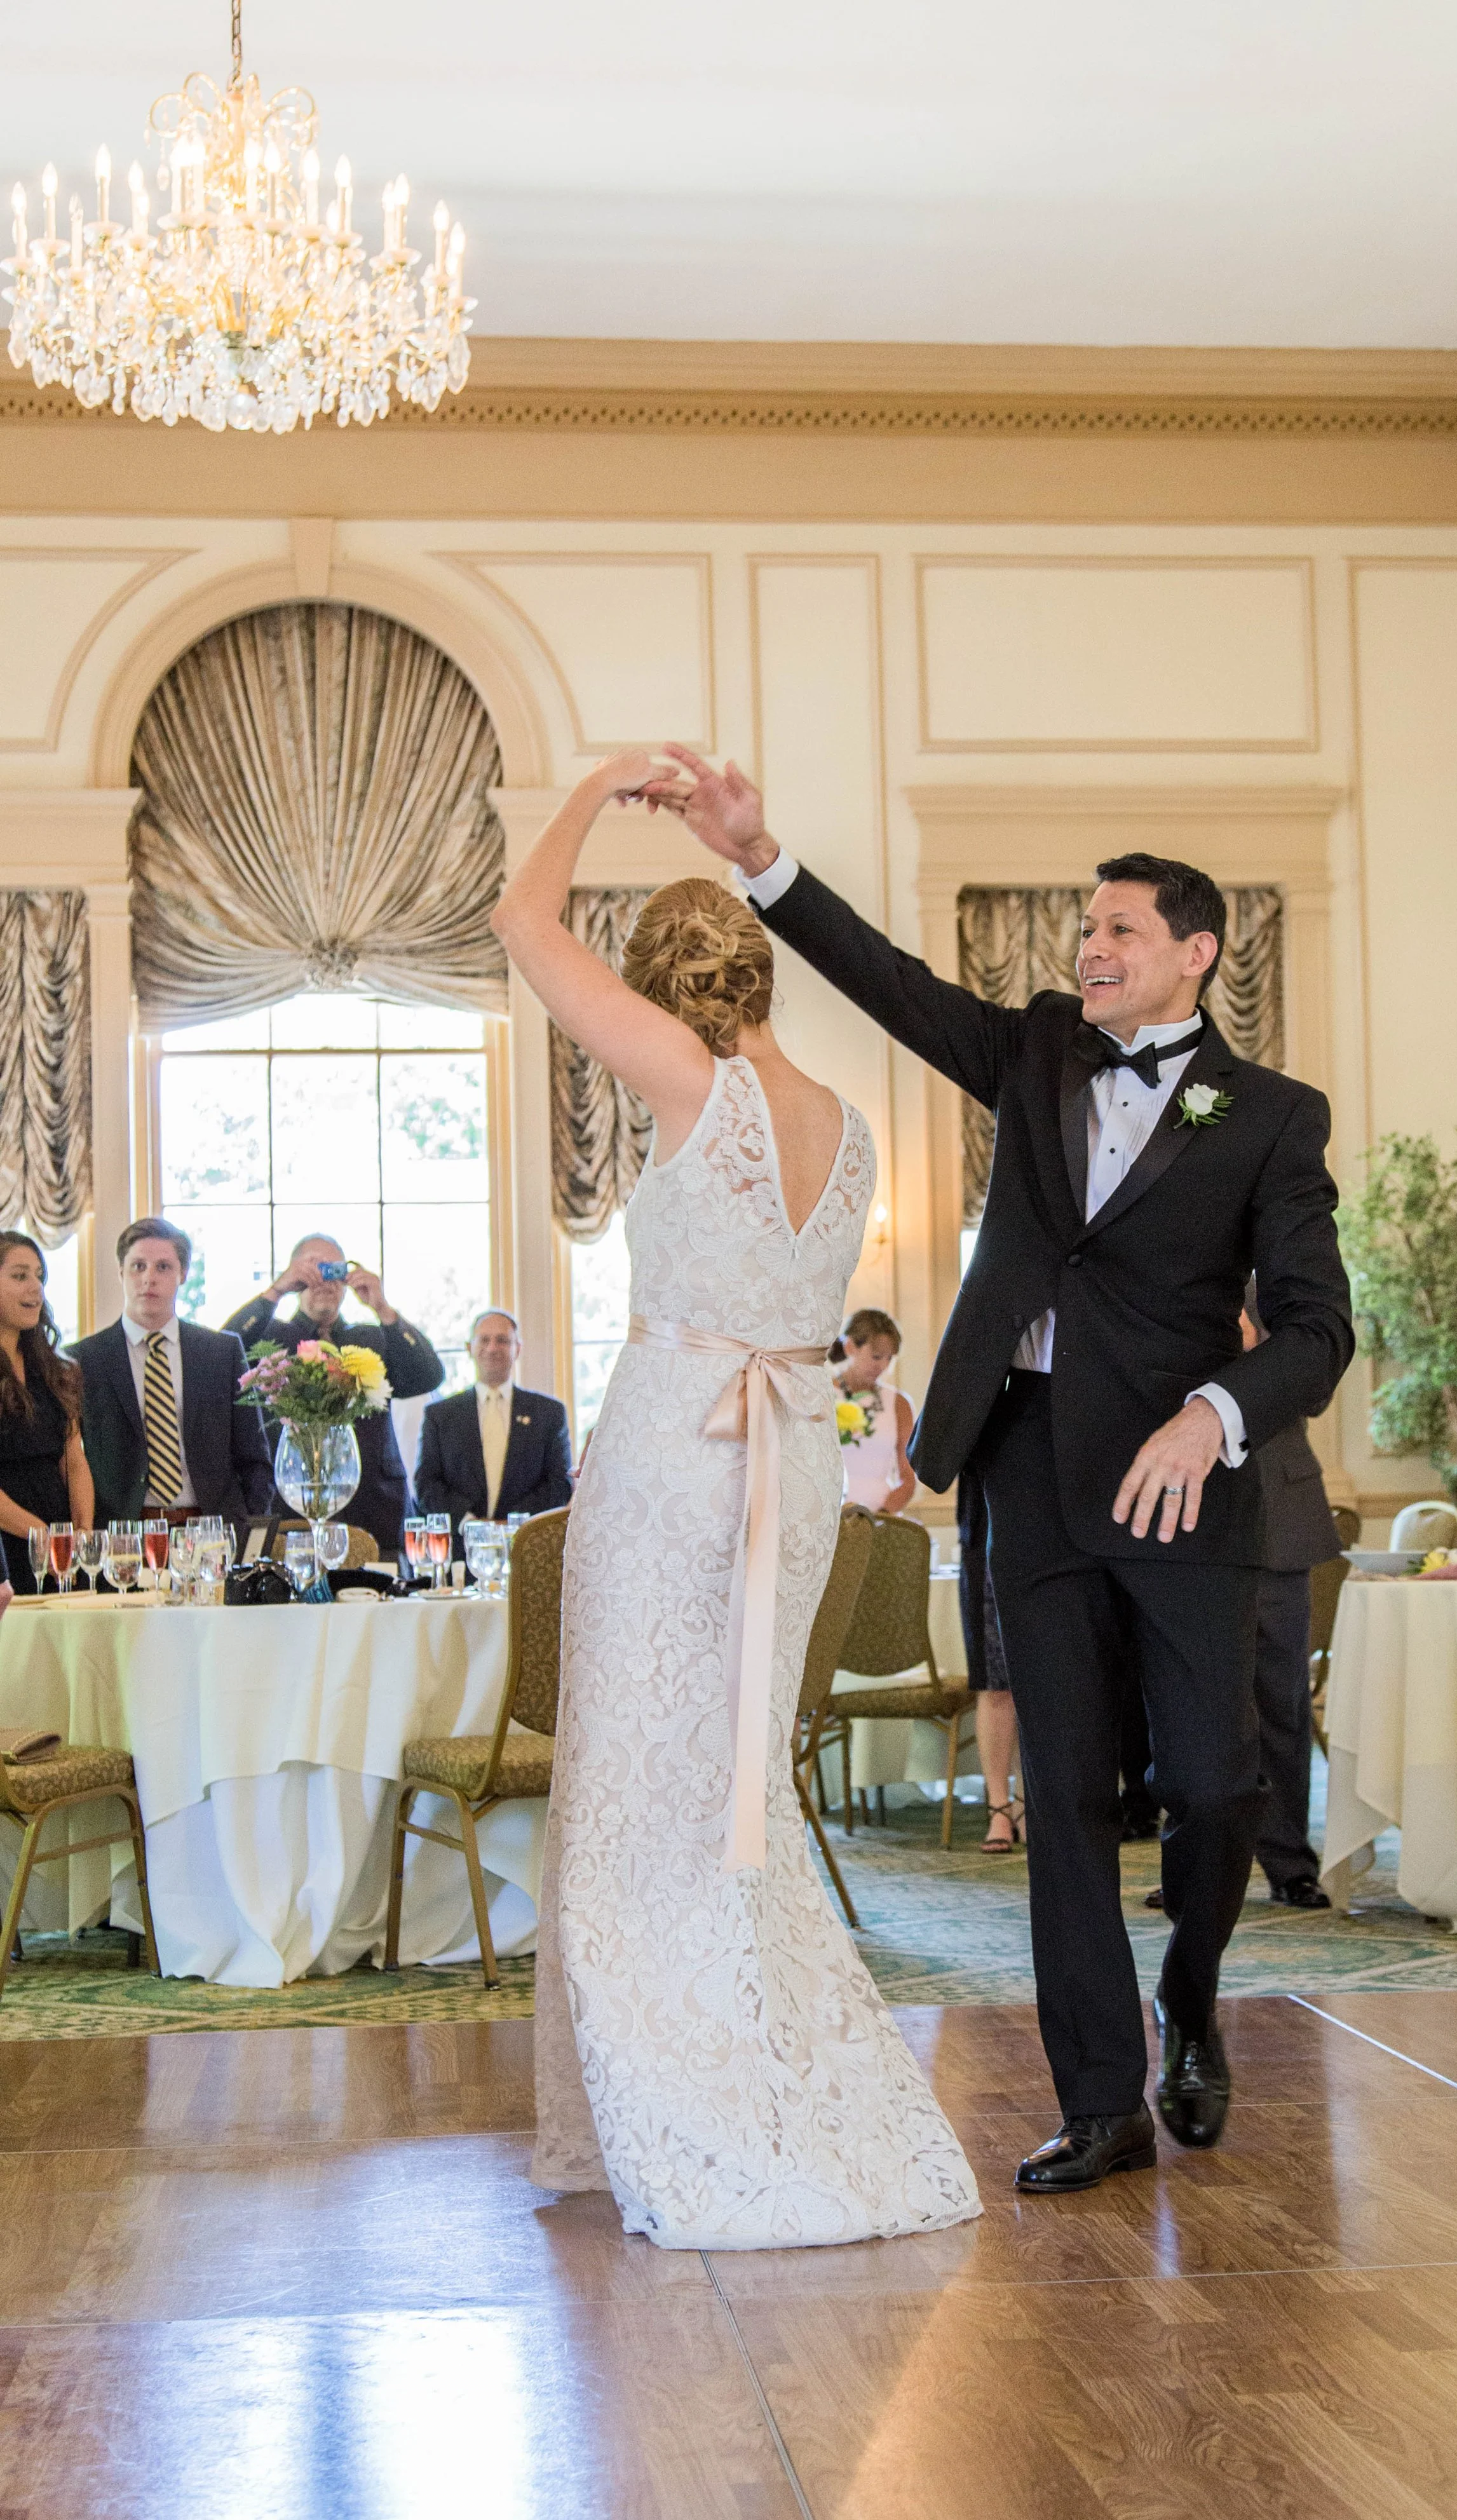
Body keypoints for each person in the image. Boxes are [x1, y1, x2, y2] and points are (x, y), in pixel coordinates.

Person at [650, 744, 1353, 2193]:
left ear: (1196, 954)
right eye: (1085, 927)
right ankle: (1101, 2101)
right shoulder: (1035, 1048)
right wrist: (759, 856)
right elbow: (892, 982)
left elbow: (1316, 1328)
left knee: (1215, 1783)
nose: (1090, 947)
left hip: (1179, 1484)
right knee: (1066, 1797)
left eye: (1120, 929)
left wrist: (1212, 1414)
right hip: (1026, 1468)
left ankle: (1192, 1994)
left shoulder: (1272, 1115)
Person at [491, 747, 979, 2250]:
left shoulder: (690, 1083)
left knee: (635, 1783)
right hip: (793, 1458)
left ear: (662, 991)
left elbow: (522, 925)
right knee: (734, 1784)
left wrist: (589, 789)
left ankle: (680, 2100)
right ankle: (763, 2075)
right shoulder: (851, 1124)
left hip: (678, 1455)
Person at [1145, 1302, 1339, 1915]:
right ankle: (1190, 1866)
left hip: (1279, 1523)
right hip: (1188, 1522)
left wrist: (1254, 1352)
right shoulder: (1166, 1285)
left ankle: (1290, 1866)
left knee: (1281, 1704)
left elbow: (1316, 1391)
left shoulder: (1282, 1287)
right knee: (1188, 1708)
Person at [222, 1237, 444, 1554]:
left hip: (375, 1507)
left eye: (333, 1270)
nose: (323, 1280)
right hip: (288, 1504)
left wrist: (382, 1307)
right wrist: (276, 1291)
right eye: (312, 1268)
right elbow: (221, 1354)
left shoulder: (372, 1339)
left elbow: (428, 1376)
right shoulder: (269, 1338)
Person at [71, 1219, 273, 1526]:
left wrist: (248, 1525)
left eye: (163, 1267)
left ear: (183, 1274)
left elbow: (254, 1456)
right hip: (122, 1532)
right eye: (138, 1266)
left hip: (211, 1529)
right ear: (121, 1272)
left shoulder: (222, 1352)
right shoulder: (83, 1360)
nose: (149, 1278)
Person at [414, 1309, 573, 1536]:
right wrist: (471, 1525)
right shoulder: (439, 1415)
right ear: (469, 1348)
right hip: (460, 1545)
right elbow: (426, 1484)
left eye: (502, 1340)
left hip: (526, 1543)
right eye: (484, 1340)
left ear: (518, 1349)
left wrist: (512, 1526)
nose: (492, 1348)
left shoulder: (549, 1413)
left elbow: (559, 1484)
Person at [0, 1232, 93, 1590]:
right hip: (7, 1550)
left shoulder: (54, 1369)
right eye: (20, 1276)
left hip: (60, 1549)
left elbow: (75, 1459)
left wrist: (82, 1532)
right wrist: (42, 1536)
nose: (35, 1288)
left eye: (39, 1276)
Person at [957, 1457, 1025, 1853]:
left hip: (1054, 1538)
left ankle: (1030, 1803)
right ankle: (999, 1807)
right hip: (985, 1532)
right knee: (995, 1684)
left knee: (1043, 1686)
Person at [831, 1307, 916, 1514]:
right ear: (850, 1347)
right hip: (830, 1515)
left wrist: (880, 1517)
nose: (883, 1366)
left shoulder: (899, 1403)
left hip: (881, 1517)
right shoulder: (822, 1395)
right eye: (877, 1357)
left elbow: (908, 1477)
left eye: (889, 1358)